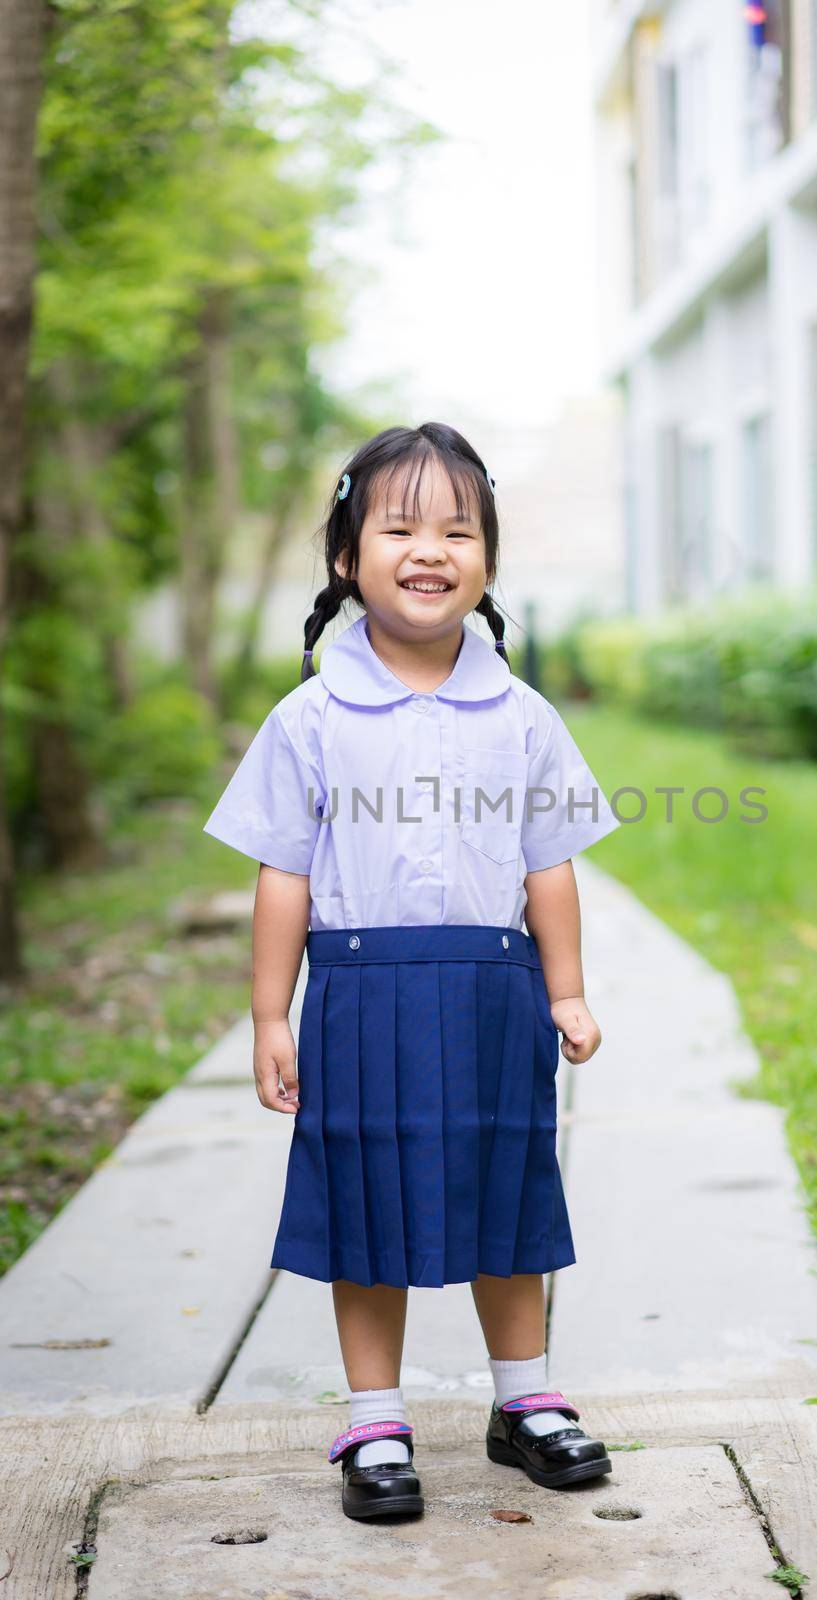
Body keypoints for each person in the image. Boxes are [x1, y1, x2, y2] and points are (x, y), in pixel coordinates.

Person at [202, 421, 621, 1522]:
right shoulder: (310, 717)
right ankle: (373, 1414)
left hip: (493, 993)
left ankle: (524, 1399)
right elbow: (283, 876)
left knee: (508, 1190)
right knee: (365, 1196)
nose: (428, 547)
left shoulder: (522, 718)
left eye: (456, 528)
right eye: (398, 526)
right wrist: (267, 1014)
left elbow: (548, 864)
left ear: (484, 559)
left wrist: (565, 989)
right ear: (348, 557)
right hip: (356, 996)